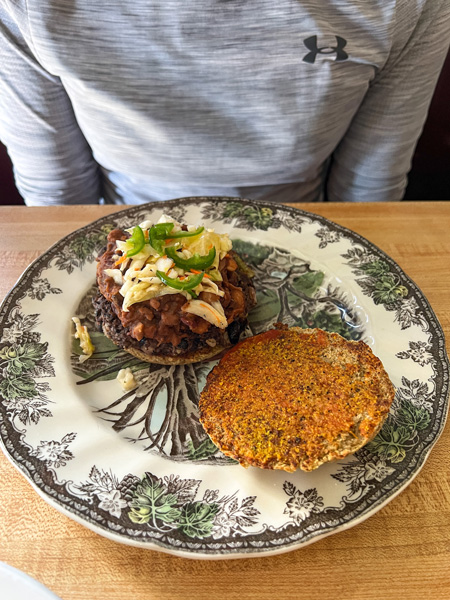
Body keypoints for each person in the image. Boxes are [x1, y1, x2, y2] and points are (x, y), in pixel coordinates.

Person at [1, 1, 449, 206]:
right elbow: (58, 193)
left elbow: (370, 186)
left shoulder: (410, 5)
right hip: (121, 240)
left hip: (306, 231)